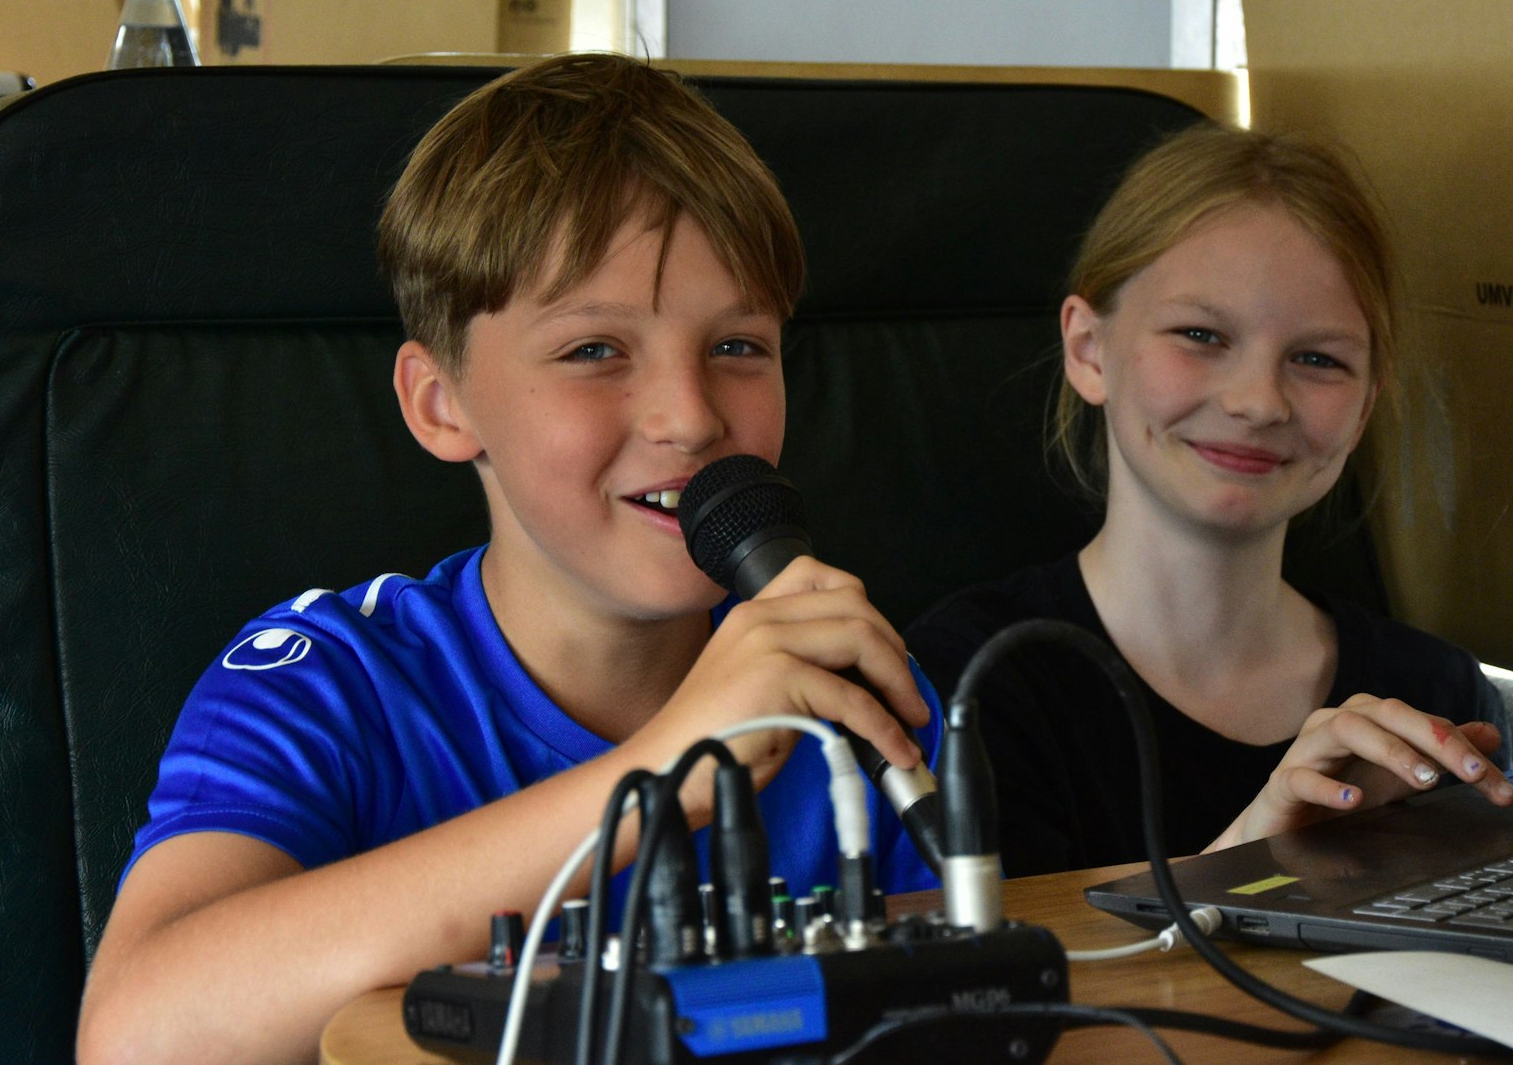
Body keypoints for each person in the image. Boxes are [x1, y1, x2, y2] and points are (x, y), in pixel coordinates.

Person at [77, 54, 940, 1063]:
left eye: (738, 346)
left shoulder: (840, 686)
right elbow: (135, 1036)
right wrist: (654, 779)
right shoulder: (323, 684)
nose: (691, 416)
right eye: (593, 351)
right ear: (440, 404)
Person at [904, 125, 1513, 879]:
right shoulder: (967, 683)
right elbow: (1012, 954)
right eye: (1200, 334)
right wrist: (1255, 853)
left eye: (1317, 359)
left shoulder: (1436, 694)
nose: (1258, 401)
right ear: (1089, 351)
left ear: (1364, 407)